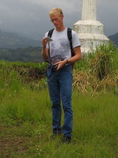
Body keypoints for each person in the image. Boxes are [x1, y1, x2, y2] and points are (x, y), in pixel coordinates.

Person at [42, 8, 82, 144]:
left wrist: (66, 61)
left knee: (66, 104)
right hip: (52, 71)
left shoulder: (71, 34)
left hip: (65, 71)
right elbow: (45, 57)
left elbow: (78, 55)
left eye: (56, 19)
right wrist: (43, 47)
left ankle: (67, 135)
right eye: (52, 20)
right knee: (54, 104)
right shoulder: (49, 34)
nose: (54, 22)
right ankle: (56, 131)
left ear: (62, 17)